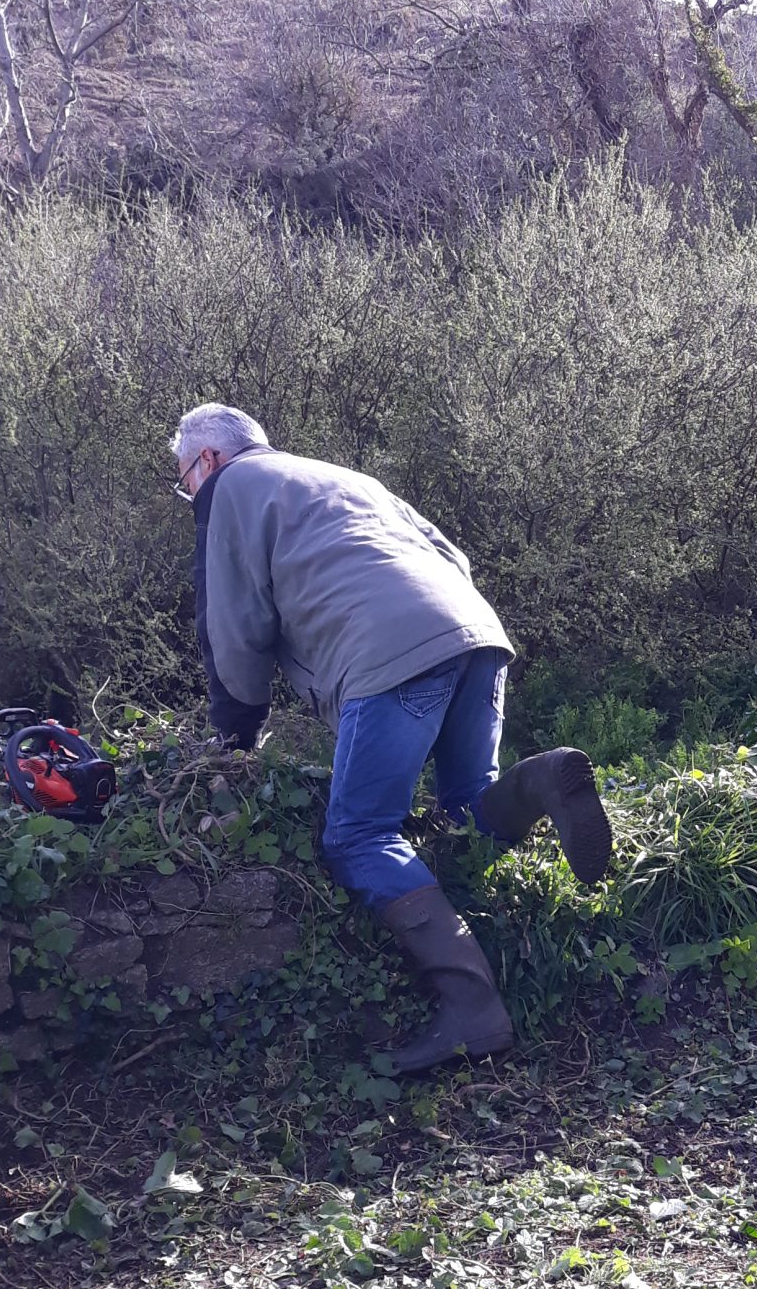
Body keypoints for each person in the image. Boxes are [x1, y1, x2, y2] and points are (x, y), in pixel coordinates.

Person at [172, 403, 612, 1071]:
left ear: (208, 459)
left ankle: (472, 1008)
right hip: (473, 628)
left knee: (358, 835)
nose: (189, 495)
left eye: (184, 481)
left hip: (389, 645)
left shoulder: (230, 489)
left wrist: (234, 737)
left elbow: (232, 625)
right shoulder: (337, 478)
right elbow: (451, 555)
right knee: (467, 806)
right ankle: (542, 779)